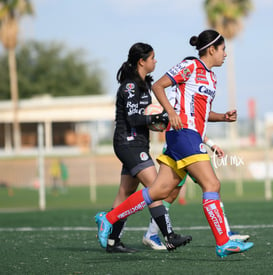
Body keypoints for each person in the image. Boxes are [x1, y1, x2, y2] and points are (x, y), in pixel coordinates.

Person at [95, 29, 254, 258]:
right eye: (223, 50)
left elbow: (201, 112)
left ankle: (108, 219)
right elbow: (159, 86)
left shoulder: (212, 77)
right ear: (211, 49)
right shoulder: (190, 65)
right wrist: (170, 112)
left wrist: (223, 117)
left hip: (188, 136)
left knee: (159, 191)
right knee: (212, 184)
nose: (225, 55)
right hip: (183, 135)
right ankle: (223, 242)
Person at [96, 42, 191, 253]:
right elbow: (132, 118)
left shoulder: (143, 85)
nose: (155, 61)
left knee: (126, 192)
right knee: (156, 188)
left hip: (135, 144)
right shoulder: (130, 86)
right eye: (152, 58)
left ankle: (112, 241)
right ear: (142, 61)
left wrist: (158, 121)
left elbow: (144, 118)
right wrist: (158, 117)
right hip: (128, 144)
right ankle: (169, 236)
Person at [142, 137, 250, 250]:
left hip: (194, 150)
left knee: (213, 187)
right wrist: (211, 144)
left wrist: (211, 144)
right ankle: (151, 234)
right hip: (179, 150)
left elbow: (196, 127)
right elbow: (188, 126)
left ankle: (226, 233)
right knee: (169, 194)